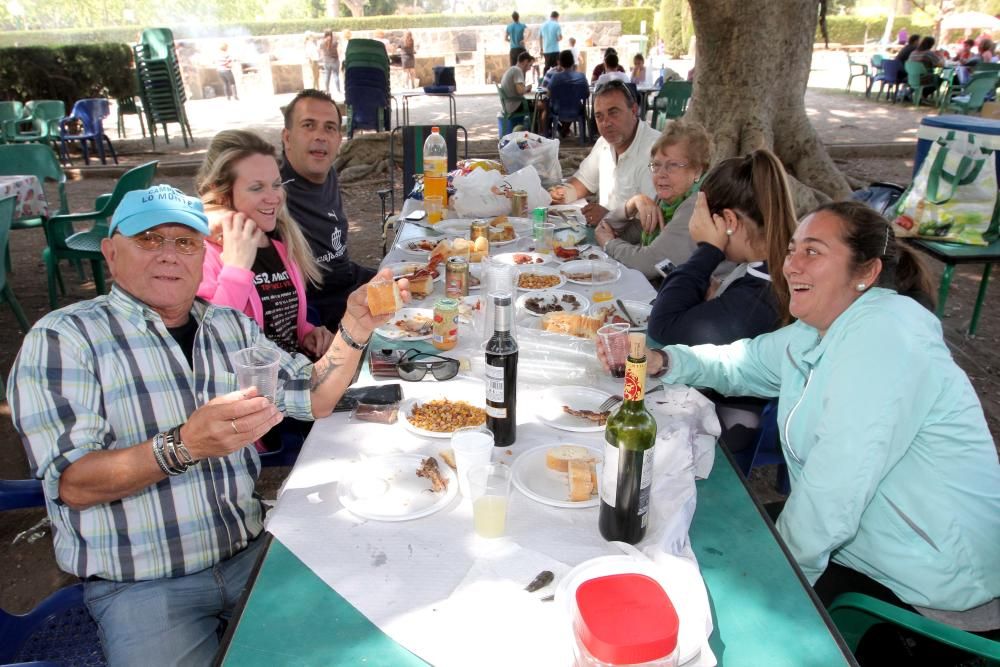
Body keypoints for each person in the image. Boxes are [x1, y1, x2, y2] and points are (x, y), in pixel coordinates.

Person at [7, 183, 410, 665]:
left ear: (204, 256)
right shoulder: (65, 338)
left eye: (185, 242)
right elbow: (73, 483)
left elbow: (315, 395)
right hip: (143, 585)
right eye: (149, 239)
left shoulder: (227, 325)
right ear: (111, 255)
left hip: (248, 553)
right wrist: (183, 445)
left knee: (358, 641)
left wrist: (355, 328)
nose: (169, 255)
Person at [622, 202, 999, 663]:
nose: (791, 264)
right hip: (867, 543)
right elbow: (744, 362)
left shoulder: (884, 337)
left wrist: (769, 585)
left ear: (867, 272)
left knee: (711, 601)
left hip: (933, 587)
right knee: (687, 530)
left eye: (813, 252)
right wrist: (665, 361)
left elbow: (832, 494)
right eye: (791, 249)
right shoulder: (822, 328)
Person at [196, 129, 331, 359]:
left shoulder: (279, 243)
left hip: (297, 372)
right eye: (257, 187)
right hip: (252, 388)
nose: (273, 197)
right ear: (221, 194)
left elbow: (281, 326)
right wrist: (236, 269)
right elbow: (212, 341)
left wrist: (307, 333)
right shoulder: (203, 255)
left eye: (276, 184)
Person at [645, 149, 796, 346]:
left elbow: (661, 328)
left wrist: (709, 249)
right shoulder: (772, 266)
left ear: (729, 221)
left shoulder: (758, 296)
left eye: (703, 216)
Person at [280, 89, 377, 330]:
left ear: (339, 140)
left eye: (329, 128)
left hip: (348, 283)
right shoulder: (273, 194)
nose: (320, 136)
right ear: (287, 137)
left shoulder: (328, 173)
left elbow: (338, 261)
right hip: (318, 313)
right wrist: (310, 328)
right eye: (309, 125)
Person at [594, 120, 713, 281]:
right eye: (656, 165)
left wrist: (609, 244)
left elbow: (647, 263)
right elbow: (610, 229)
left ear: (697, 171)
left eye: (673, 165)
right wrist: (632, 204)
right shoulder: (667, 201)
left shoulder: (696, 206)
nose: (661, 173)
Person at [548, 80, 660, 226]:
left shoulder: (657, 151)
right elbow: (584, 182)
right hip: (605, 233)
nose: (606, 123)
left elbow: (655, 222)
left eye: (613, 113)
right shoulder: (604, 144)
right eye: (599, 116)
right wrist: (562, 193)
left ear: (633, 110)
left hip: (633, 243)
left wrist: (610, 217)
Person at [541, 49, 588, 137]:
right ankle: (566, 131)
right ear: (573, 62)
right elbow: (587, 94)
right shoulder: (581, 76)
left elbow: (548, 95)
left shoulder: (555, 77)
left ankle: (547, 134)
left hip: (558, 110)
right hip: (577, 110)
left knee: (547, 107)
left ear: (560, 63)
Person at [500, 51, 534, 116]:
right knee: (541, 107)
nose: (529, 68)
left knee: (533, 103)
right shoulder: (517, 70)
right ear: (525, 61)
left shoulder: (512, 69)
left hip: (508, 105)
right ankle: (537, 126)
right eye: (530, 65)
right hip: (514, 106)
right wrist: (527, 88)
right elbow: (520, 91)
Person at [539, 11, 562, 75]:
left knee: (547, 67)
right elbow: (559, 37)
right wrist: (559, 38)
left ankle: (544, 81)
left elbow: (540, 37)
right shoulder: (557, 25)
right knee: (557, 68)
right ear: (557, 17)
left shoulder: (543, 25)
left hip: (546, 50)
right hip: (555, 50)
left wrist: (541, 48)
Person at [320, 30, 340, 95]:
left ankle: (327, 90)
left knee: (327, 76)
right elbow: (338, 48)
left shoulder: (322, 43)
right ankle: (338, 90)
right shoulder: (335, 42)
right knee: (336, 75)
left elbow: (321, 52)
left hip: (326, 61)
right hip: (335, 61)